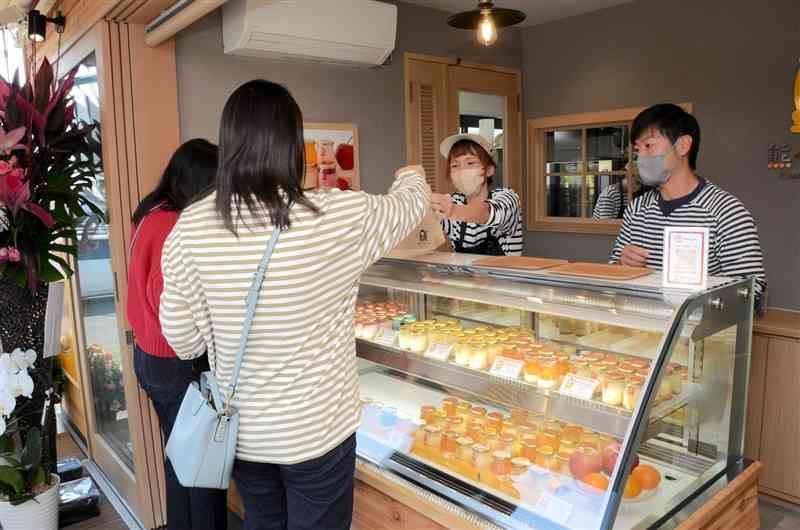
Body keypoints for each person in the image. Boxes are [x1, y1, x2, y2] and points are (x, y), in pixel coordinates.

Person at [159, 80, 430, 530]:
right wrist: (412, 173)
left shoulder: (189, 229)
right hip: (320, 432)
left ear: (229, 145)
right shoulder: (336, 216)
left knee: (263, 522)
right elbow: (409, 205)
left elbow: (184, 342)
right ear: (293, 146)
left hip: (244, 433)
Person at [126, 138, 227, 530]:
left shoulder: (151, 213)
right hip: (174, 361)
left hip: (149, 357)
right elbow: (169, 300)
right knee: (203, 469)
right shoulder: (173, 225)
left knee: (181, 457)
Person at [610, 103, 767, 313]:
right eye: (637, 151)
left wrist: (695, 300)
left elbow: (752, 292)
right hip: (643, 331)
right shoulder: (637, 209)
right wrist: (622, 263)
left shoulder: (727, 212)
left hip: (699, 338)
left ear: (683, 145)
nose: (641, 159)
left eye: (649, 146)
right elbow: (611, 271)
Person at [430, 133, 523, 255]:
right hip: (464, 274)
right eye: (455, 165)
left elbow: (486, 213)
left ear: (489, 170)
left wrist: (452, 210)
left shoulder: (508, 198)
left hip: (502, 274)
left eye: (470, 163)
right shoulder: (455, 201)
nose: (461, 171)